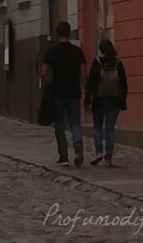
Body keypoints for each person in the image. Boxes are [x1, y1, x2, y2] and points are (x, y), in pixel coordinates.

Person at [40, 21, 87, 168]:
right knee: (75, 122)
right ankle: (78, 144)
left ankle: (64, 156)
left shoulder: (51, 51)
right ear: (69, 33)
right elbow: (83, 73)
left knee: (59, 123)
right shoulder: (77, 51)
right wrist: (86, 91)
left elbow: (43, 72)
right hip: (74, 92)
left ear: (57, 33)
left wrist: (46, 83)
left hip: (57, 92)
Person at [85, 38, 128, 167]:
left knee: (98, 127)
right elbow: (124, 84)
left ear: (101, 49)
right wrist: (122, 100)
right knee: (110, 129)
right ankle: (108, 157)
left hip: (99, 100)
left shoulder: (97, 62)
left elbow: (91, 83)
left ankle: (98, 151)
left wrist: (87, 99)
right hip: (115, 102)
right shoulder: (118, 63)